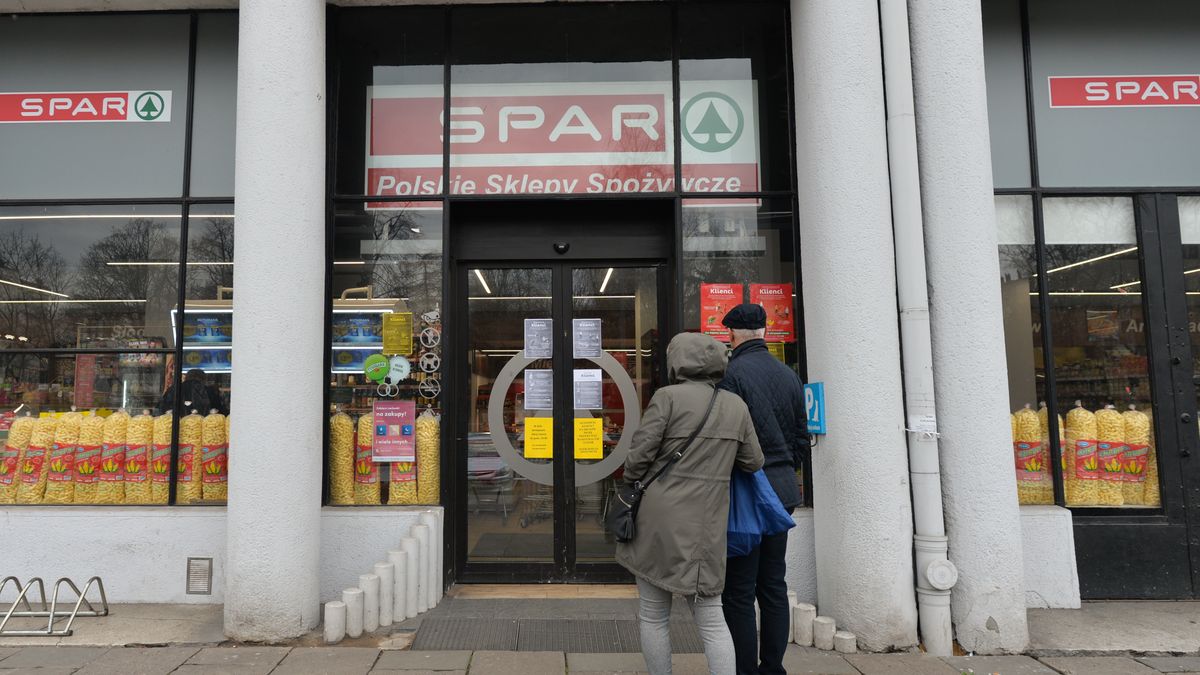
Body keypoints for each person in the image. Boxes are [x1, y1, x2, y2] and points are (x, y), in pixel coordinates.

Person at [616, 332, 764, 675]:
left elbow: (638, 459)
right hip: (708, 525)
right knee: (712, 619)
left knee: (653, 616)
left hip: (659, 521)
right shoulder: (735, 406)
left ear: (676, 361)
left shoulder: (666, 398)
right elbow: (753, 462)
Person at [717, 303, 810, 675]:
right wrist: (787, 471)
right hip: (782, 492)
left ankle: (745, 670)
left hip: (748, 493)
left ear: (733, 336)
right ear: (764, 332)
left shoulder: (732, 374)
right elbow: (802, 438)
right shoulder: (788, 376)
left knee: (739, 590)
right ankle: (773, 668)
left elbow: (728, 439)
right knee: (773, 584)